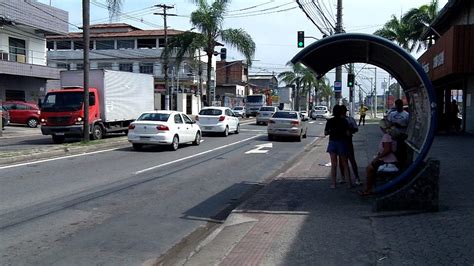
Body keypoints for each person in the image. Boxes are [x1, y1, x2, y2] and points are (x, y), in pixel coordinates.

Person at [359, 119, 398, 196]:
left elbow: (387, 150)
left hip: (388, 161)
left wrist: (377, 158)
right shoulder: (392, 134)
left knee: (369, 168)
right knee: (371, 167)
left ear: (382, 127)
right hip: (390, 159)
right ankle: (369, 188)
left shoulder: (387, 136)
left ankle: (368, 189)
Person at [324, 105, 353, 189]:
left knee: (334, 164)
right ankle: (349, 183)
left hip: (332, 142)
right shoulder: (344, 121)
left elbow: (325, 133)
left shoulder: (330, 121)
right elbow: (348, 133)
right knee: (345, 163)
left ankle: (333, 184)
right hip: (342, 142)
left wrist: (332, 131)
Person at [339, 105, 362, 186]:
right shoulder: (338, 120)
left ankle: (357, 178)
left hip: (348, 141)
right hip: (340, 141)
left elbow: (356, 128)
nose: (343, 112)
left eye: (344, 110)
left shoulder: (350, 119)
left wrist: (350, 131)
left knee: (352, 160)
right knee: (341, 161)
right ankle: (343, 177)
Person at [387, 99, 409, 165]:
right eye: (396, 106)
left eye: (399, 106)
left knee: (401, 151)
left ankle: (401, 163)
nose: (397, 108)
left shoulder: (406, 115)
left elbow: (408, 126)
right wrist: (392, 125)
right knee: (393, 151)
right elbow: (388, 124)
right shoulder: (392, 114)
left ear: (402, 106)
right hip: (393, 136)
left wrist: (401, 126)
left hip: (402, 136)